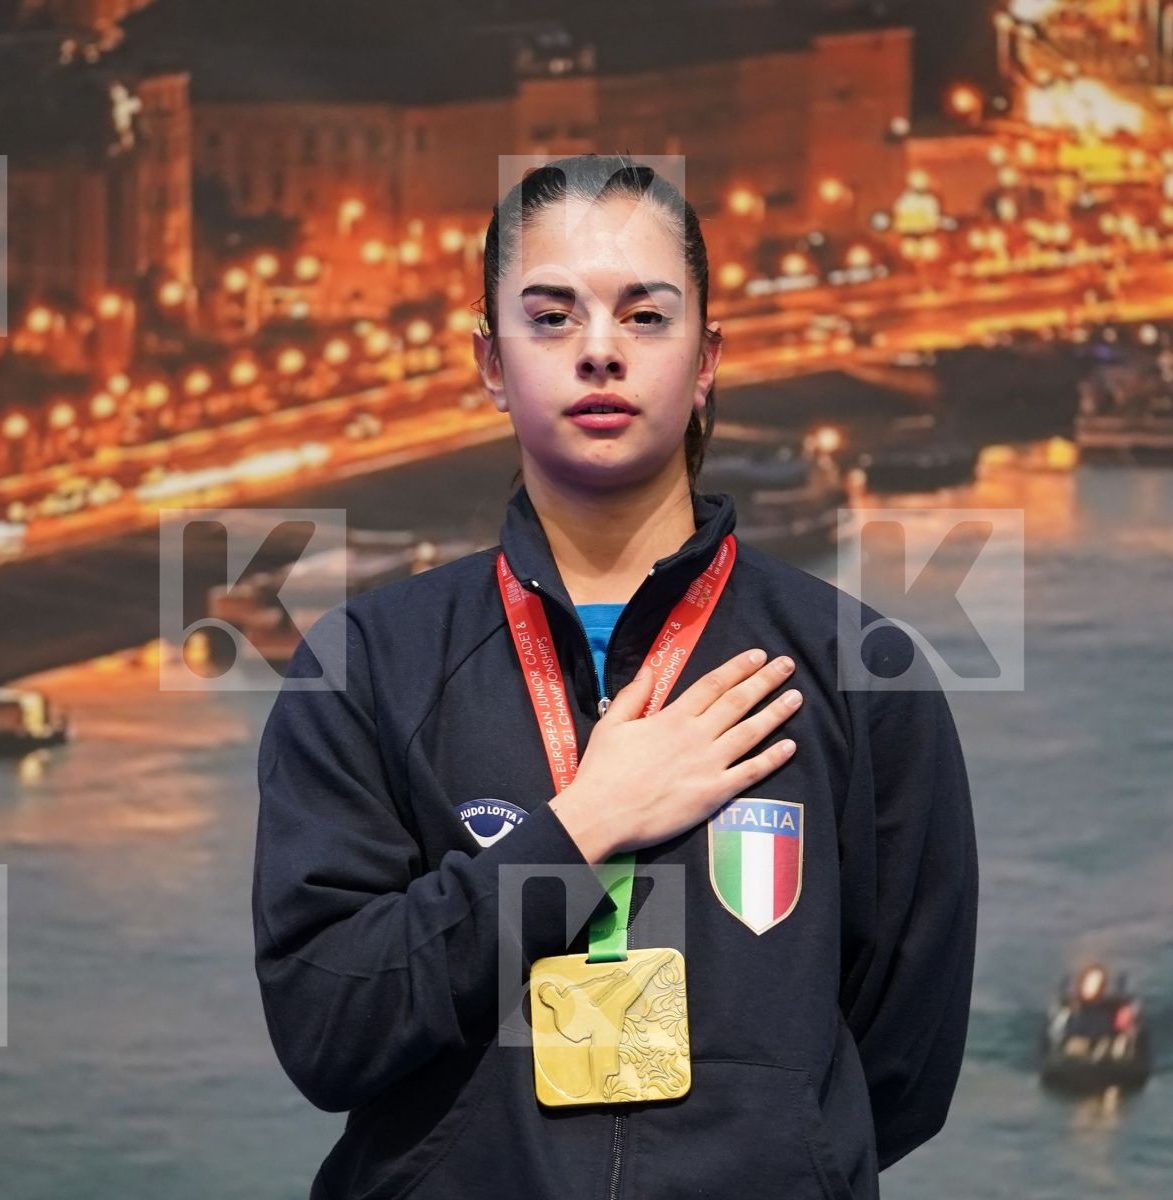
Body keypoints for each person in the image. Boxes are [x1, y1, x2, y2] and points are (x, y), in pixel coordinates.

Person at [253, 154, 978, 1200]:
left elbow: (901, 1069)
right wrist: (581, 828)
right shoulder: (366, 666)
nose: (599, 351)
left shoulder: (858, 673)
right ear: (490, 364)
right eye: (549, 318)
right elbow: (327, 1026)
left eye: (645, 317)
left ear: (706, 360)